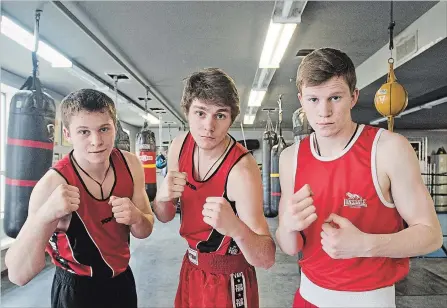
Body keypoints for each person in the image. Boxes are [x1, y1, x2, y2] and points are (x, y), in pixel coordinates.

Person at [275, 48, 443, 308]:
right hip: (307, 298)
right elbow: (288, 246)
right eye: (313, 100)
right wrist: (287, 226)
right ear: (301, 100)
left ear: (353, 97)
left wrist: (366, 245)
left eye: (335, 97)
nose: (324, 112)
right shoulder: (290, 159)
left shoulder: (389, 150)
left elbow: (431, 235)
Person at [5, 89, 155, 308]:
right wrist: (46, 215)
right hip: (77, 290)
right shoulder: (52, 185)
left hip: (122, 281)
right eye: (84, 132)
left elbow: (145, 231)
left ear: (115, 127)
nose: (96, 141)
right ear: (67, 134)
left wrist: (136, 217)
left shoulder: (131, 165)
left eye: (104, 129)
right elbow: (19, 275)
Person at [152, 68, 276, 307]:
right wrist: (162, 197)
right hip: (191, 268)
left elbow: (267, 259)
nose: (208, 126)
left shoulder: (242, 170)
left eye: (220, 115)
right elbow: (165, 215)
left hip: (229, 279)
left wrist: (237, 228)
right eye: (200, 113)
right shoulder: (179, 146)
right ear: (187, 111)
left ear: (231, 119)